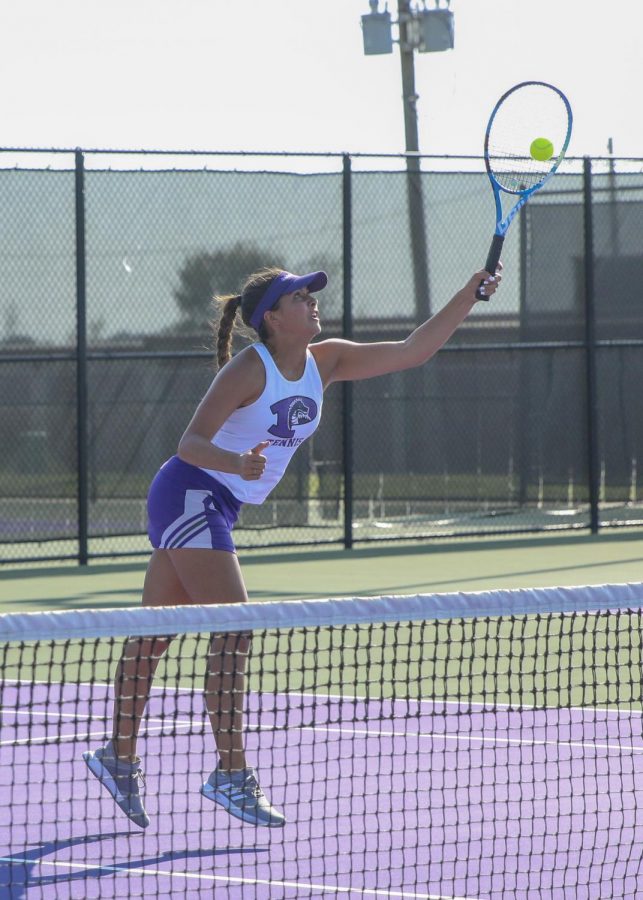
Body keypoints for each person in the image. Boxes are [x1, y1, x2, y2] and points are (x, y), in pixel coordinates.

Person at [83, 262, 502, 830]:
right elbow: (190, 443)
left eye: (310, 296)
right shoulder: (248, 369)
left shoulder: (326, 361)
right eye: (299, 298)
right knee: (235, 628)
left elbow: (413, 349)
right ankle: (230, 775)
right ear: (272, 319)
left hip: (218, 503)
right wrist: (236, 462)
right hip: (191, 491)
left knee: (154, 636)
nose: (312, 303)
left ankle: (118, 756)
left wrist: (467, 293)